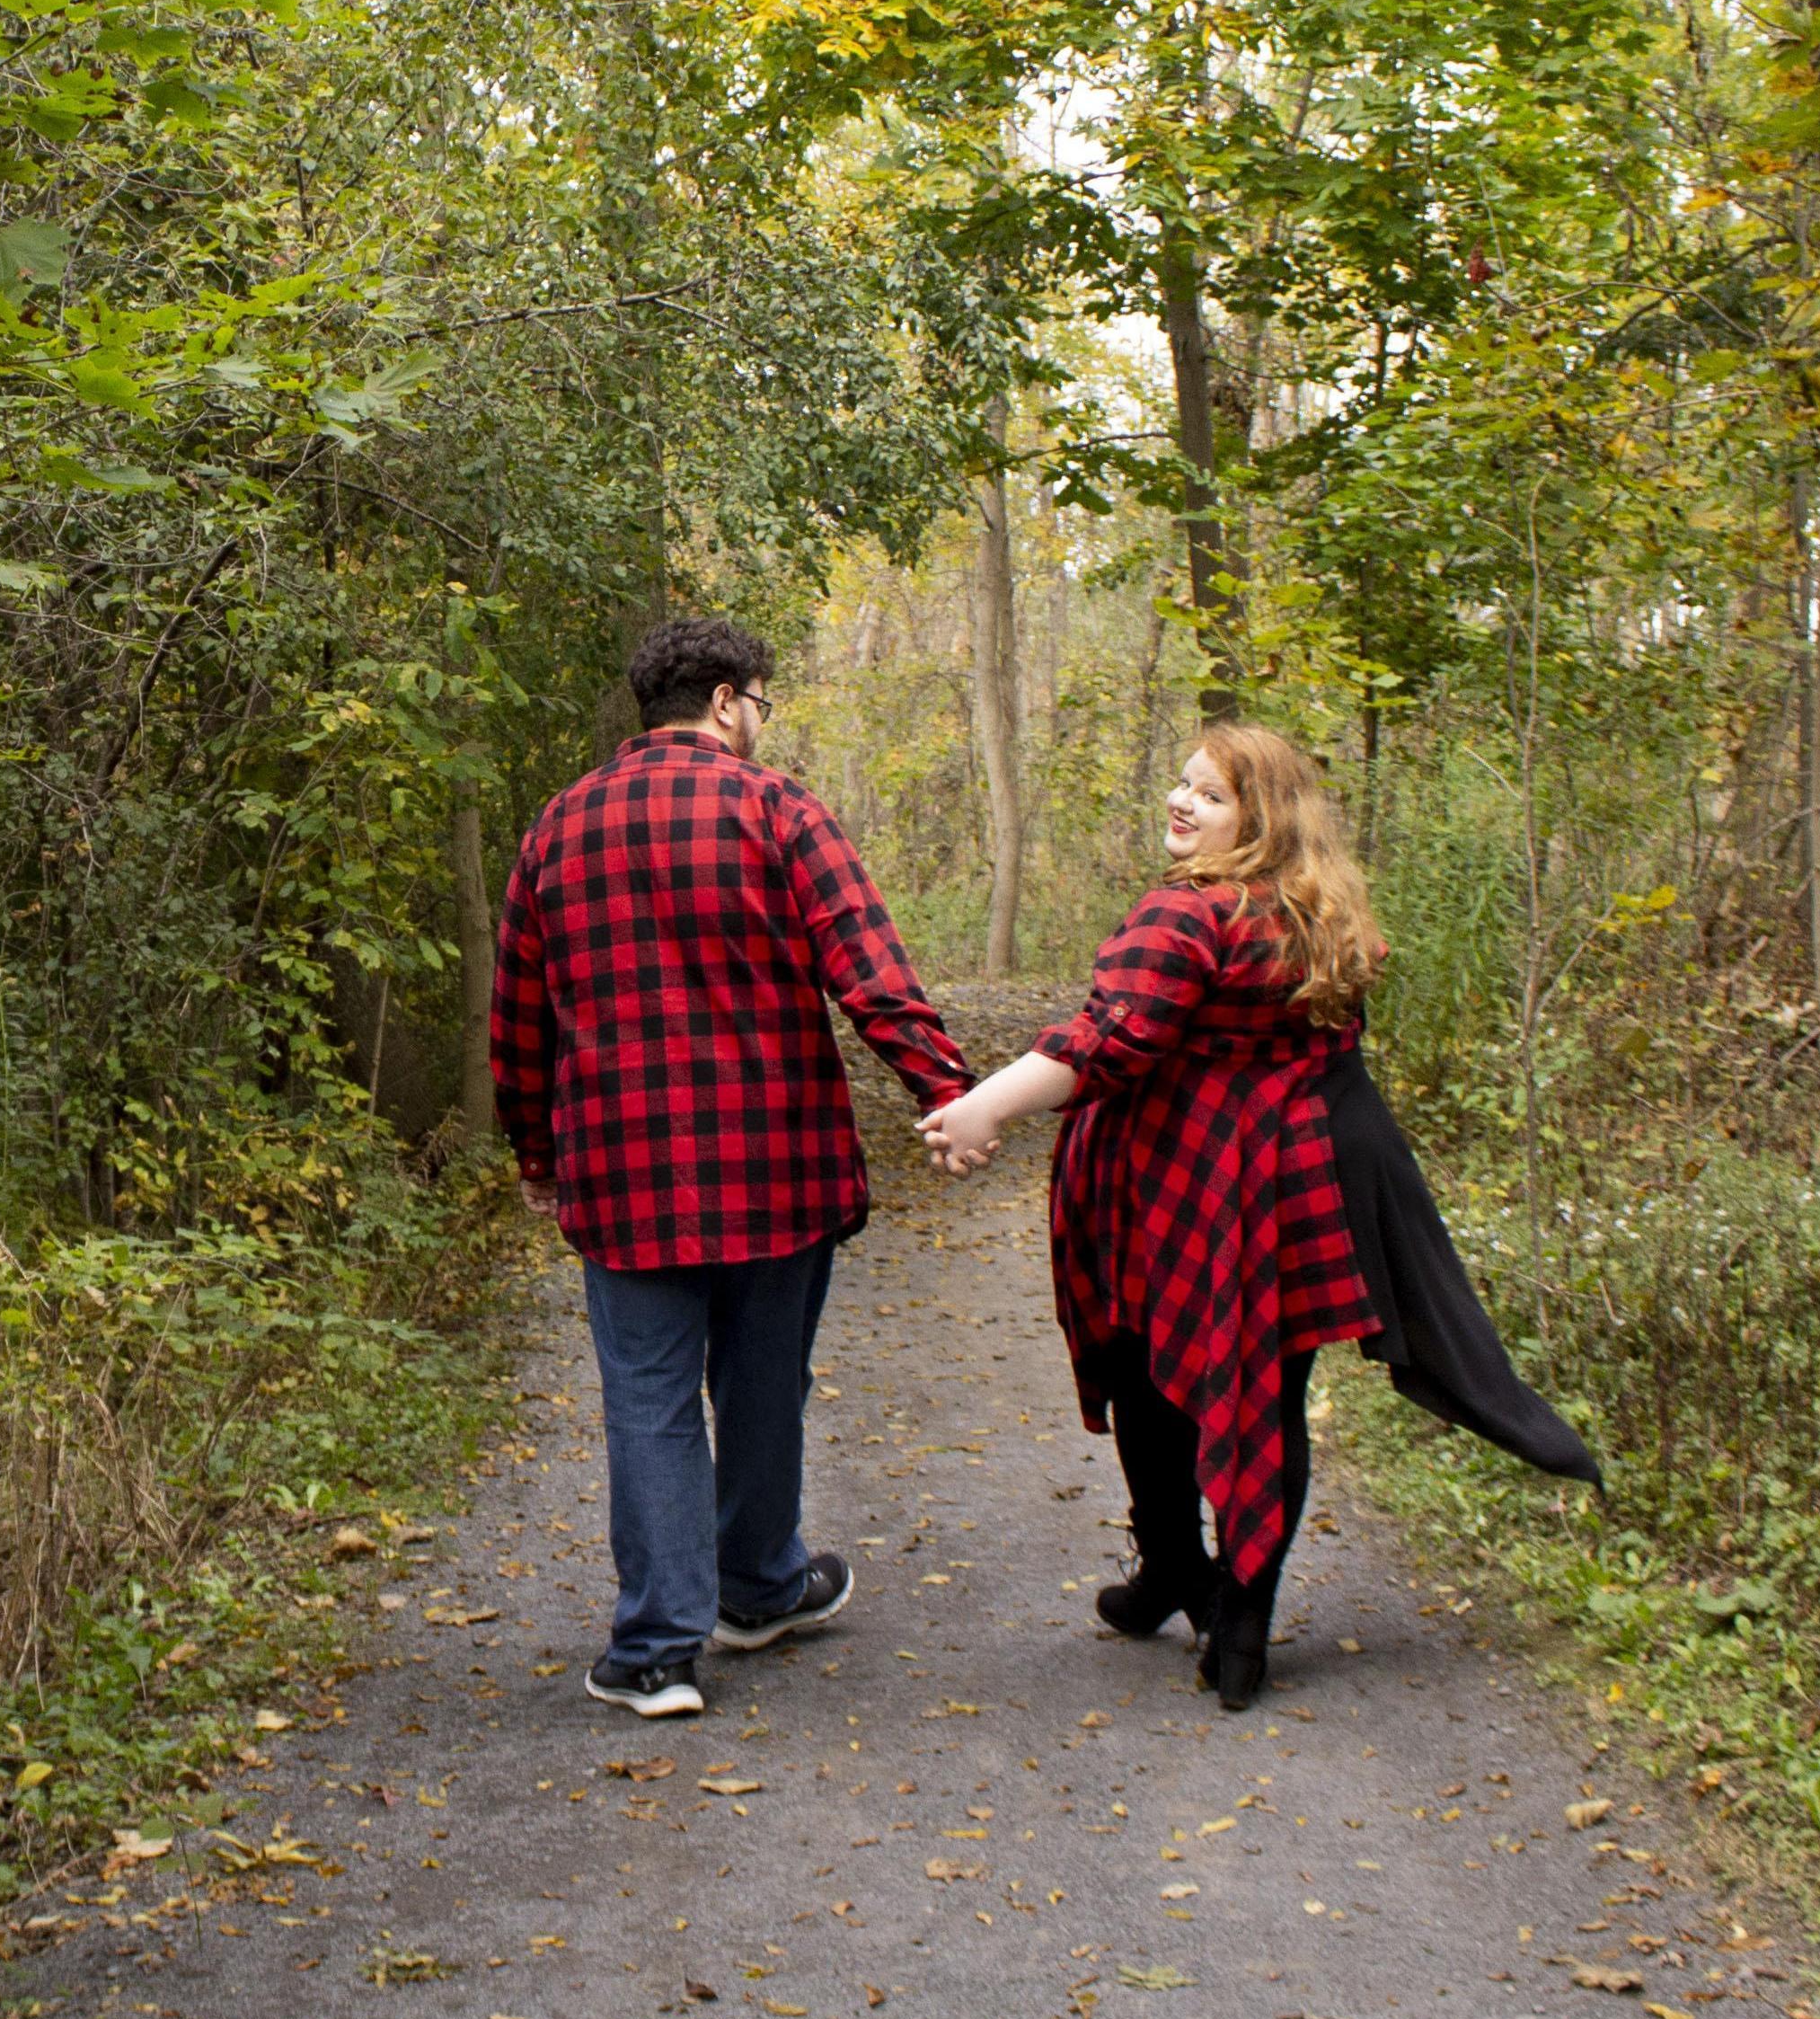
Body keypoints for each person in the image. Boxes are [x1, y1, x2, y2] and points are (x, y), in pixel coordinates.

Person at [490, 614, 976, 1719]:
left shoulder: (558, 828)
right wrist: (950, 1095)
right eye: (763, 701)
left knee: (650, 1400)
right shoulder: (777, 809)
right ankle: (756, 1588)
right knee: (763, 1385)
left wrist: (538, 1151)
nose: (763, 721)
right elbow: (872, 972)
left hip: (621, 1172)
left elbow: (520, 1015)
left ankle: (658, 1650)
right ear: (725, 701)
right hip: (779, 1165)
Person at [917, 723, 1386, 1711]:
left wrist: (981, 1108)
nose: (1180, 803)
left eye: (1209, 796)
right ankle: (1205, 1588)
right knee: (1260, 1384)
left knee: (1144, 1366)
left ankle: (1212, 1588)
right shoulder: (1320, 918)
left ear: (1259, 819)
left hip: (1172, 1180)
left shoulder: (1186, 918)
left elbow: (1106, 1041)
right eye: (1181, 784)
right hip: (1276, 1185)